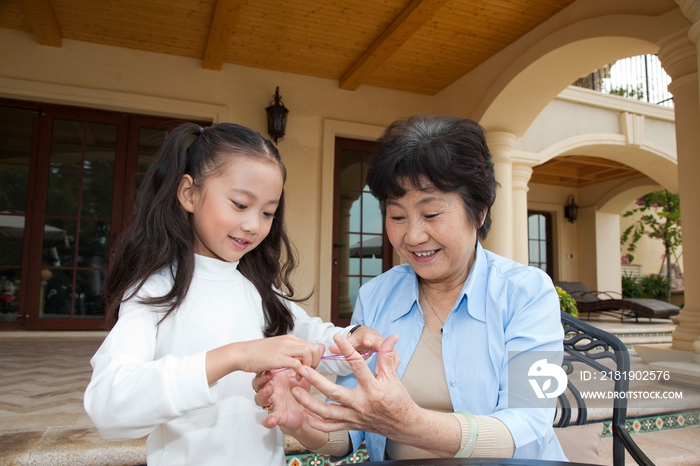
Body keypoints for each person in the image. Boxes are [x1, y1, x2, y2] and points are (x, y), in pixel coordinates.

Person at [254, 115, 567, 461]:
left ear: (478, 212)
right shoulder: (376, 296)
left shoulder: (527, 292)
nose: (413, 237)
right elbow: (350, 430)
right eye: (397, 217)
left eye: (431, 214)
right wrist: (301, 423)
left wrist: (413, 425)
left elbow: (531, 421)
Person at [84, 122, 382, 466]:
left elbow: (315, 339)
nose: (254, 225)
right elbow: (108, 405)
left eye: (268, 212)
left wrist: (353, 340)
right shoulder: (155, 292)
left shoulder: (258, 290)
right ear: (188, 193)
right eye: (240, 204)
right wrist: (235, 356)